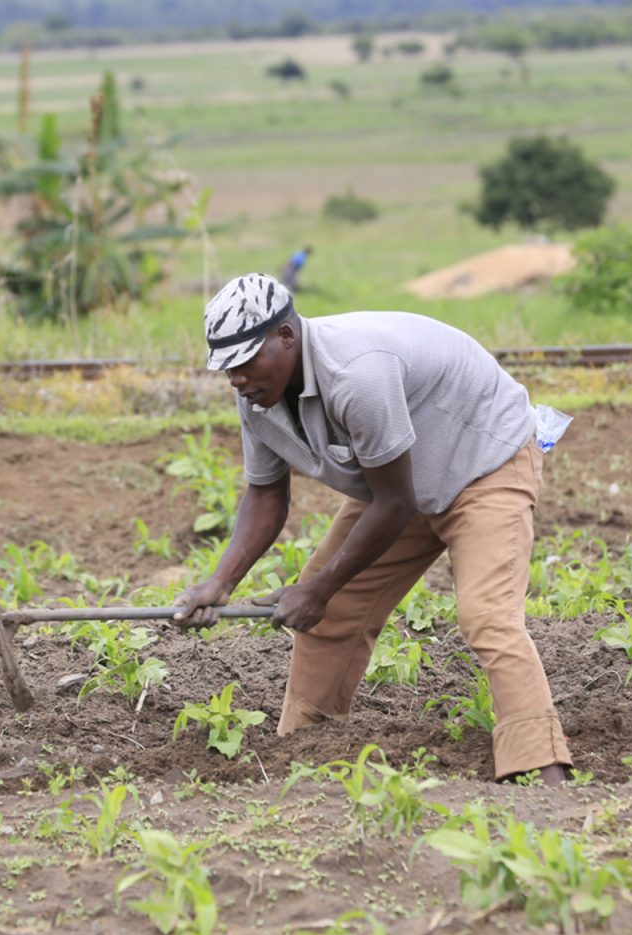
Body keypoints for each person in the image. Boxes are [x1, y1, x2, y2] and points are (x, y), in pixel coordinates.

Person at [174, 273, 574, 785]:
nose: (238, 378)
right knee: (328, 615)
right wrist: (221, 581)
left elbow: (394, 502)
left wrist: (317, 590)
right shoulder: (256, 395)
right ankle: (302, 756)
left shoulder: (356, 374)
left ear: (287, 337)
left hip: (483, 462)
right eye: (227, 368)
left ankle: (547, 777)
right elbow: (267, 493)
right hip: (403, 483)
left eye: (247, 360)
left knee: (487, 616)